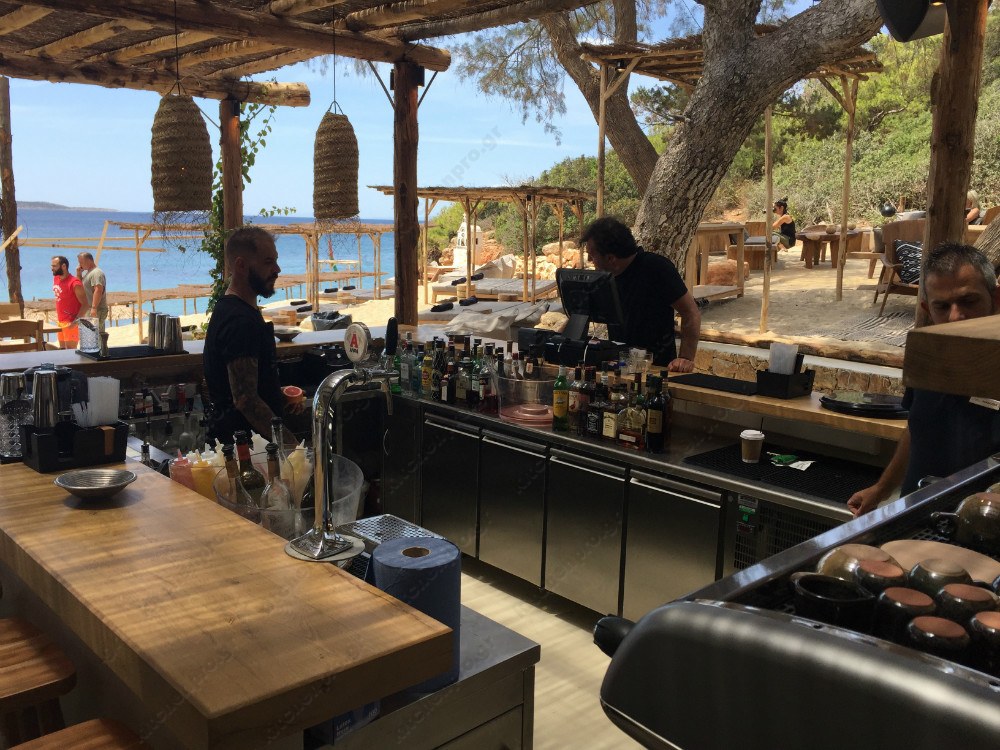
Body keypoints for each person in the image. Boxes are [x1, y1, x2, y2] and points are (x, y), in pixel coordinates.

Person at [847, 242, 1000, 516]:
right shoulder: (926, 356)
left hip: (983, 523)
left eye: (969, 301)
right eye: (942, 306)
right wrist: (881, 489)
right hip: (917, 512)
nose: (956, 316)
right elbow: (918, 427)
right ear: (928, 310)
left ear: (996, 298)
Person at [203, 226, 298, 446]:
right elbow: (246, 400)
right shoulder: (240, 321)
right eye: (268, 262)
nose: (277, 269)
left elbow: (241, 388)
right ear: (241, 265)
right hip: (245, 450)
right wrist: (292, 448)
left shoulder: (232, 309)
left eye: (275, 261)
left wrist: (276, 394)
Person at [580, 217, 700, 372]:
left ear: (611, 258)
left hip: (657, 368)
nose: (589, 260)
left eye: (592, 255)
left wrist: (685, 359)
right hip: (620, 367)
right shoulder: (605, 278)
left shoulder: (657, 268)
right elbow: (583, 311)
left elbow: (690, 312)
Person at [50, 255, 87, 349]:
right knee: (62, 351)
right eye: (52, 266)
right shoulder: (56, 278)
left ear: (63, 266)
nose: (52, 268)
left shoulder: (75, 283)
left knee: (70, 352)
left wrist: (75, 322)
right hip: (60, 321)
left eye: (54, 266)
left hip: (71, 322)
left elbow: (85, 305)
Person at [76, 252, 108, 331]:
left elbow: (98, 290)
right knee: (90, 334)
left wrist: (94, 308)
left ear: (89, 261)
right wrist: (79, 274)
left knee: (95, 334)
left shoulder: (96, 273)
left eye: (81, 262)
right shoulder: (89, 273)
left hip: (96, 309)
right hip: (89, 309)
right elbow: (80, 288)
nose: (80, 265)